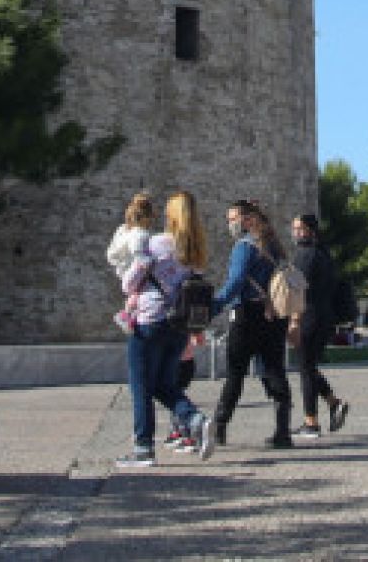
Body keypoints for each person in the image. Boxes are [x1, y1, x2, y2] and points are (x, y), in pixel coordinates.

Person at [116, 189, 216, 467]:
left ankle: (143, 448)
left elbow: (129, 283)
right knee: (163, 384)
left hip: (150, 321)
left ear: (171, 215)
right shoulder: (196, 251)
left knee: (141, 386)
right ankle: (195, 420)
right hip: (179, 325)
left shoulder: (157, 244)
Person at [209, 198, 296, 448]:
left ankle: (220, 426)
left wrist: (215, 306)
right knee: (274, 369)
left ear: (247, 220)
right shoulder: (274, 246)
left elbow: (235, 282)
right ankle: (283, 430)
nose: (230, 224)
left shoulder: (244, 247)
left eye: (232, 219)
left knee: (235, 372)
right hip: (274, 314)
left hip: (246, 314)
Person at [290, 213, 351, 439]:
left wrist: (294, 320)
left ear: (309, 230)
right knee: (310, 367)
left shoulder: (305, 255)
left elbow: (298, 289)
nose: (296, 233)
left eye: (299, 228)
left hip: (309, 317)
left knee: (305, 369)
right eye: (294, 228)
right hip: (325, 317)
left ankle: (311, 422)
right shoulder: (324, 254)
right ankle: (333, 403)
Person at [107, 192, 156, 334]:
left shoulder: (123, 230)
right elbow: (139, 254)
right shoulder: (140, 234)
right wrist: (152, 261)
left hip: (124, 270)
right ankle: (126, 315)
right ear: (147, 217)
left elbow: (112, 253)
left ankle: (128, 314)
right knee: (138, 293)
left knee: (135, 295)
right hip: (134, 272)